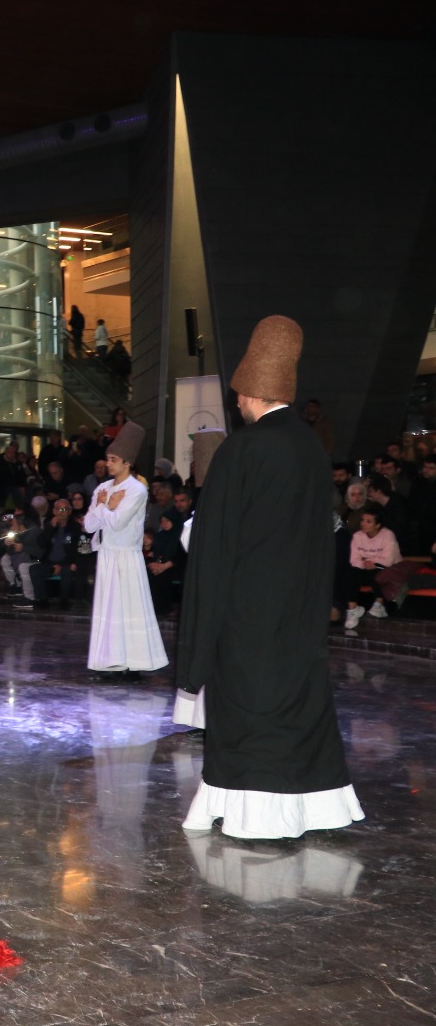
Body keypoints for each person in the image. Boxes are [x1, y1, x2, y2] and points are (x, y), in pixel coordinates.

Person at [177, 314, 363, 840]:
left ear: (247, 392)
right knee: (298, 703)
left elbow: (213, 542)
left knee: (249, 707)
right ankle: (313, 809)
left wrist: (199, 635)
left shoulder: (243, 448)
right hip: (299, 609)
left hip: (248, 611)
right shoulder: (311, 448)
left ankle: (254, 814)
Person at [82, 420, 167, 677]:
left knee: (129, 609)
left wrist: (105, 509)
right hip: (107, 554)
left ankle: (134, 664)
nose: (108, 464)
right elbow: (88, 525)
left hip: (127, 556)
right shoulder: (102, 488)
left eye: (113, 460)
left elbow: (119, 522)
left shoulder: (137, 490)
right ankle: (110, 662)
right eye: (107, 459)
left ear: (127, 463)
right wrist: (106, 506)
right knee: (109, 611)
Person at [341, 507, 399, 630]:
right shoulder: (357, 536)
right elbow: (354, 559)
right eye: (362, 520)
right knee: (351, 573)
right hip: (366, 567)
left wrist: (372, 562)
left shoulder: (388, 535)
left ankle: (379, 604)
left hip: (389, 569)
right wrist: (365, 563)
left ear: (378, 525)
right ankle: (353, 610)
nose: (363, 523)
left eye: (369, 521)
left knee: (376, 573)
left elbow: (388, 560)